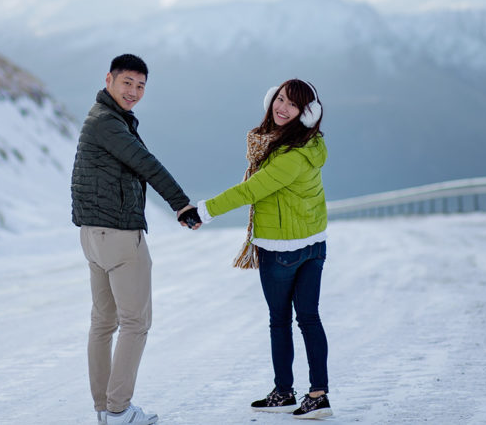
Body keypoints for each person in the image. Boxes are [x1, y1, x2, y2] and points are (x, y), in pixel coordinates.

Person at [182, 78, 332, 420]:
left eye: (292, 105)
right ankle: (314, 393)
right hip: (314, 245)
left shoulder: (288, 156)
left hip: (282, 249)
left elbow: (250, 191)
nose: (282, 107)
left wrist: (202, 211)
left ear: (307, 113)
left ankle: (289, 391)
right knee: (309, 318)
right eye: (279, 99)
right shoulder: (311, 145)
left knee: (281, 320)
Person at [71, 53, 193, 425]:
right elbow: (147, 163)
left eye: (141, 86)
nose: (134, 92)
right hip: (120, 236)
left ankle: (104, 409)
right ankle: (119, 408)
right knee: (135, 323)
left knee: (104, 323)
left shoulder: (101, 119)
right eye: (128, 83)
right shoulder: (108, 123)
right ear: (109, 79)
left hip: (93, 235)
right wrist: (181, 204)